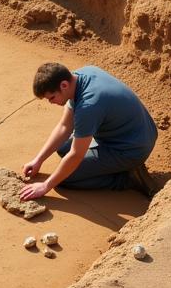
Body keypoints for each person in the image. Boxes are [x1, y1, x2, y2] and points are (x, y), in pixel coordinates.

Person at [20, 62, 159, 201]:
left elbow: (76, 155)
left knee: (65, 178)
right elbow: (64, 126)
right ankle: (115, 166)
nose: (51, 102)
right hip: (137, 133)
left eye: (52, 98)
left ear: (63, 85)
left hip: (131, 149)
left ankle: (127, 178)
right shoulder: (82, 74)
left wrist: (45, 186)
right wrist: (38, 160)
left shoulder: (88, 106)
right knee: (63, 148)